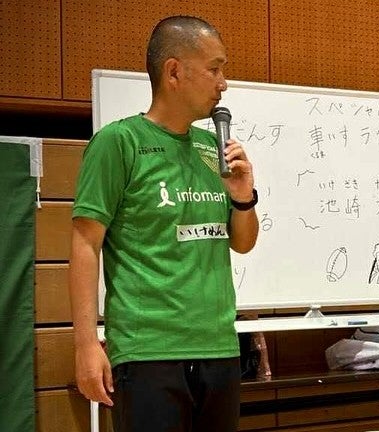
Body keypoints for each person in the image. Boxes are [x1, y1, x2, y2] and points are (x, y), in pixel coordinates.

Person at [69, 16, 258, 432]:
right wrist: (85, 344)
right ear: (174, 72)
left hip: (219, 349)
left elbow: (242, 243)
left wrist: (243, 196)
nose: (223, 83)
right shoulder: (119, 142)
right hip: (148, 352)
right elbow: (84, 243)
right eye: (214, 69)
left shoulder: (213, 148)